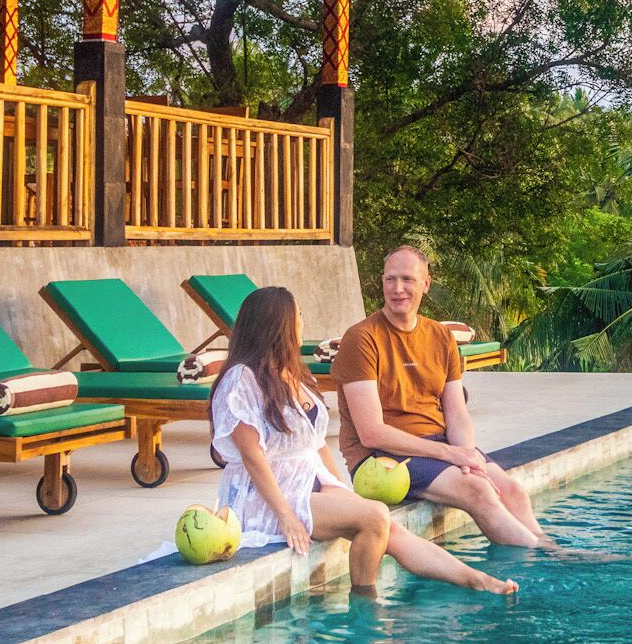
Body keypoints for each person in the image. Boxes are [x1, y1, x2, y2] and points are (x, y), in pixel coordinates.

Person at [211, 285, 516, 596]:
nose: (302, 321)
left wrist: (340, 489)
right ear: (279, 325)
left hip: (310, 481)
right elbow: (252, 456)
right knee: (375, 517)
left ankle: (474, 579)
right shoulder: (241, 380)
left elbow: (315, 445)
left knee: (387, 527)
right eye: (298, 315)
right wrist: (286, 517)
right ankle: (364, 605)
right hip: (267, 497)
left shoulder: (296, 376)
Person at [333, 246, 551, 548]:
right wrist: (451, 456)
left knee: (513, 491)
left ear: (426, 284)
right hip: (382, 458)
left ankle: (550, 549)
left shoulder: (440, 336)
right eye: (390, 280)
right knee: (479, 492)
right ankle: (543, 560)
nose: (397, 289)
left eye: (408, 279)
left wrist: (465, 457)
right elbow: (371, 433)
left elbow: (457, 414)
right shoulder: (362, 339)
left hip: (438, 444)